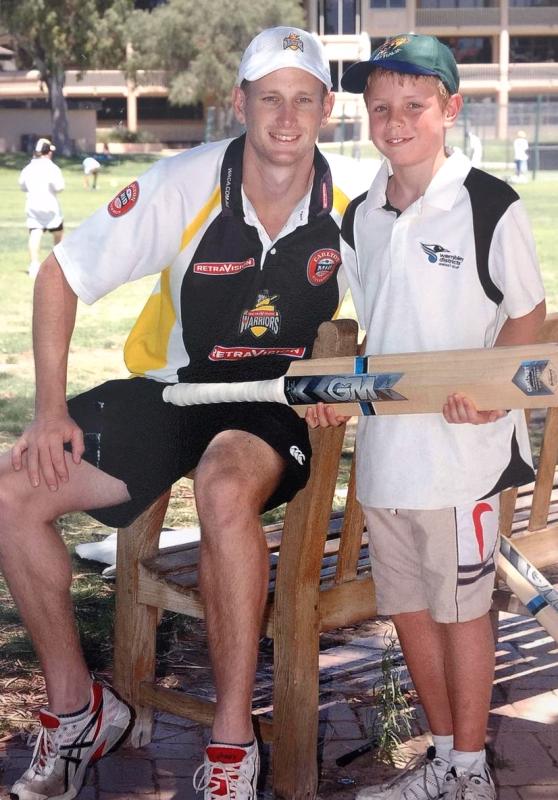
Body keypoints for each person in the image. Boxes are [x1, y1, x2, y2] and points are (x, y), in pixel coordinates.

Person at [0, 26, 365, 800]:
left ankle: (233, 742)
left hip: (270, 409)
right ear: (241, 103)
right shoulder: (184, 181)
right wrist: (49, 410)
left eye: (304, 99)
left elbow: (400, 320)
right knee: (11, 490)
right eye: (270, 98)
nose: (287, 117)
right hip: (173, 396)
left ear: (327, 109)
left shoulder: (357, 204)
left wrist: (342, 377)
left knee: (225, 484)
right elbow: (60, 274)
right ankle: (77, 712)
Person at [308, 33, 545, 800]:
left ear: (450, 108)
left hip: (462, 457)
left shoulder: (488, 203)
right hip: (387, 458)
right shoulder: (360, 215)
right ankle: (443, 760)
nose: (396, 120)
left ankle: (472, 771)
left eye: (415, 105)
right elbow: (366, 323)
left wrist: (490, 391)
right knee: (409, 612)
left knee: (464, 612)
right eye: (381, 108)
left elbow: (529, 315)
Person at [18, 138, 64, 278]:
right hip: (50, 205)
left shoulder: (28, 168)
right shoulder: (52, 168)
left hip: (32, 205)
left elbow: (22, 186)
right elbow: (59, 187)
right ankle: (59, 263)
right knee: (58, 233)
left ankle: (34, 265)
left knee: (35, 233)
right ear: (48, 152)